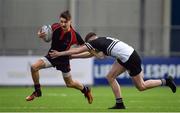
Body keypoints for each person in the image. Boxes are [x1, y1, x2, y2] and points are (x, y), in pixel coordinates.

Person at [49, 32, 177, 109]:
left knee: (141, 86)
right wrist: (72, 57)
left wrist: (61, 54)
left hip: (130, 58)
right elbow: (92, 54)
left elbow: (81, 50)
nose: (89, 47)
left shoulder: (95, 43)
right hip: (125, 57)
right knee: (110, 77)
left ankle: (166, 81)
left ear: (90, 41)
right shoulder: (100, 41)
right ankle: (119, 104)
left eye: (88, 45)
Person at [26, 10, 93, 104]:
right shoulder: (55, 27)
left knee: (70, 84)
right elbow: (43, 31)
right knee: (34, 67)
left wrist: (74, 56)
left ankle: (86, 90)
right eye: (61, 21)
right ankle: (37, 91)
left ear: (70, 21)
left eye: (65, 22)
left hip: (63, 60)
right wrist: (39, 34)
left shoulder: (75, 35)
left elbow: (86, 48)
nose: (63, 24)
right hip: (52, 56)